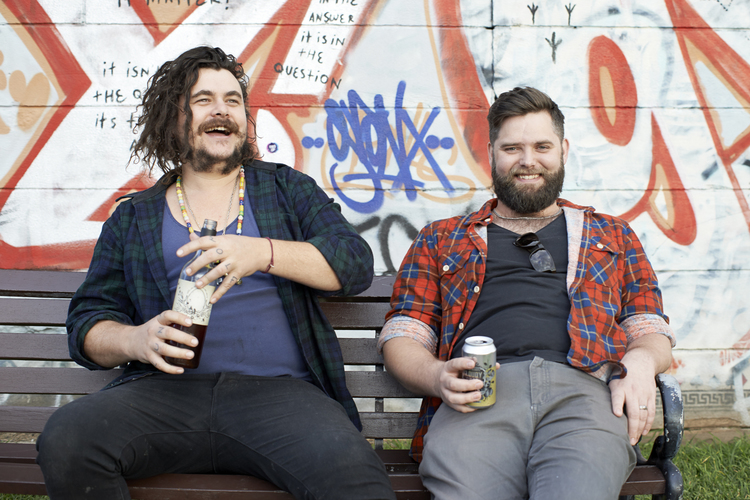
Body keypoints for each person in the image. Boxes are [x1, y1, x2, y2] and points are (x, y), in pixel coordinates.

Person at [36, 46, 395, 500]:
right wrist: (135, 340)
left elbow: (355, 263)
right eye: (203, 99)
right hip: (166, 397)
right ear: (173, 119)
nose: (221, 110)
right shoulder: (134, 217)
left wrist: (262, 252)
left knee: (356, 478)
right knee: (68, 440)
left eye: (233, 100)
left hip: (282, 397)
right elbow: (87, 322)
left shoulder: (287, 189)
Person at [379, 87, 675, 500]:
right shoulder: (441, 238)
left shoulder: (612, 234)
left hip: (586, 393)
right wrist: (435, 376)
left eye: (542, 147)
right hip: (479, 395)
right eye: (512, 148)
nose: (528, 160)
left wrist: (641, 361)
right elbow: (404, 333)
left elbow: (648, 326)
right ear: (491, 153)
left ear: (563, 150)